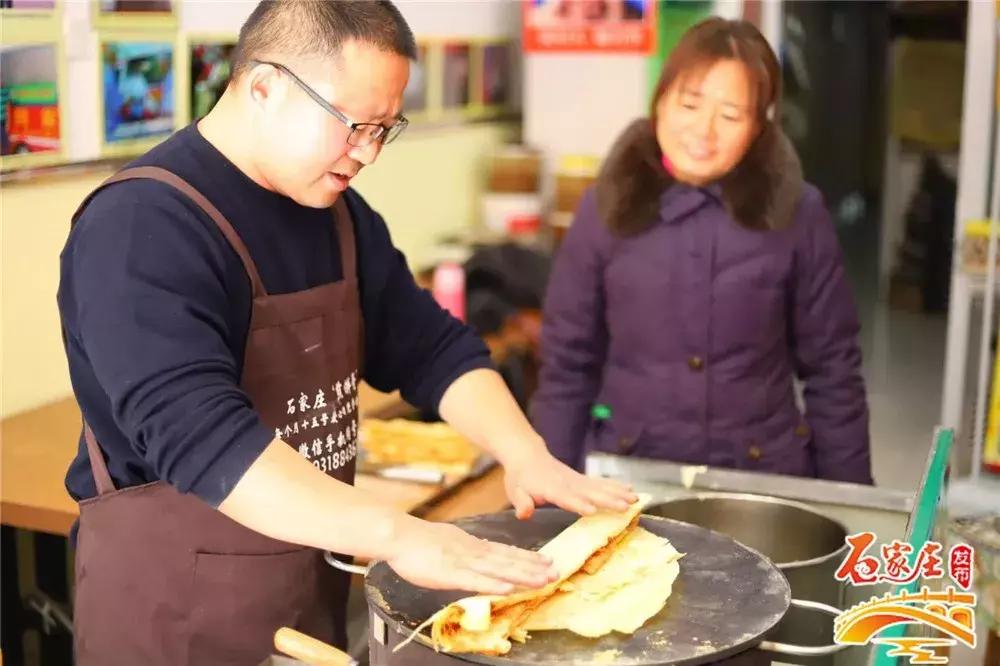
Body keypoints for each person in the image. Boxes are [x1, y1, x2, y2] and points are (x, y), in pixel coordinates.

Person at [57, 2, 635, 664]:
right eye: (354, 125)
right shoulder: (143, 227)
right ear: (264, 87)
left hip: (304, 591)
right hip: (172, 622)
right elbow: (205, 441)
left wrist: (523, 451)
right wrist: (399, 534)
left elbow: (432, 349)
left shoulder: (336, 216)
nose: (367, 154)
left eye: (384, 130)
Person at [531, 17, 873, 485]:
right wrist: (552, 490)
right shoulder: (608, 205)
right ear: (661, 103)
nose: (703, 130)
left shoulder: (797, 212)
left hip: (762, 477)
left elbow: (833, 370)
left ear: (757, 128)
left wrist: (851, 505)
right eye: (689, 104)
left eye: (730, 115)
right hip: (630, 474)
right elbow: (567, 365)